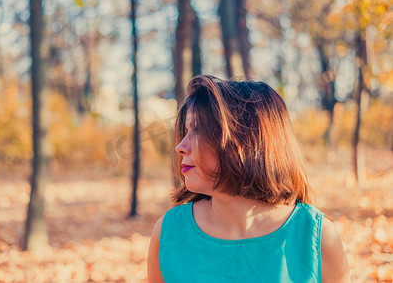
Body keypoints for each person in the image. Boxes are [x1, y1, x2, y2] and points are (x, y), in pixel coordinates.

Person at [147, 75, 350, 282]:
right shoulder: (168, 234)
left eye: (198, 130)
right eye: (186, 132)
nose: (180, 147)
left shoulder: (317, 237)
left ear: (246, 141)